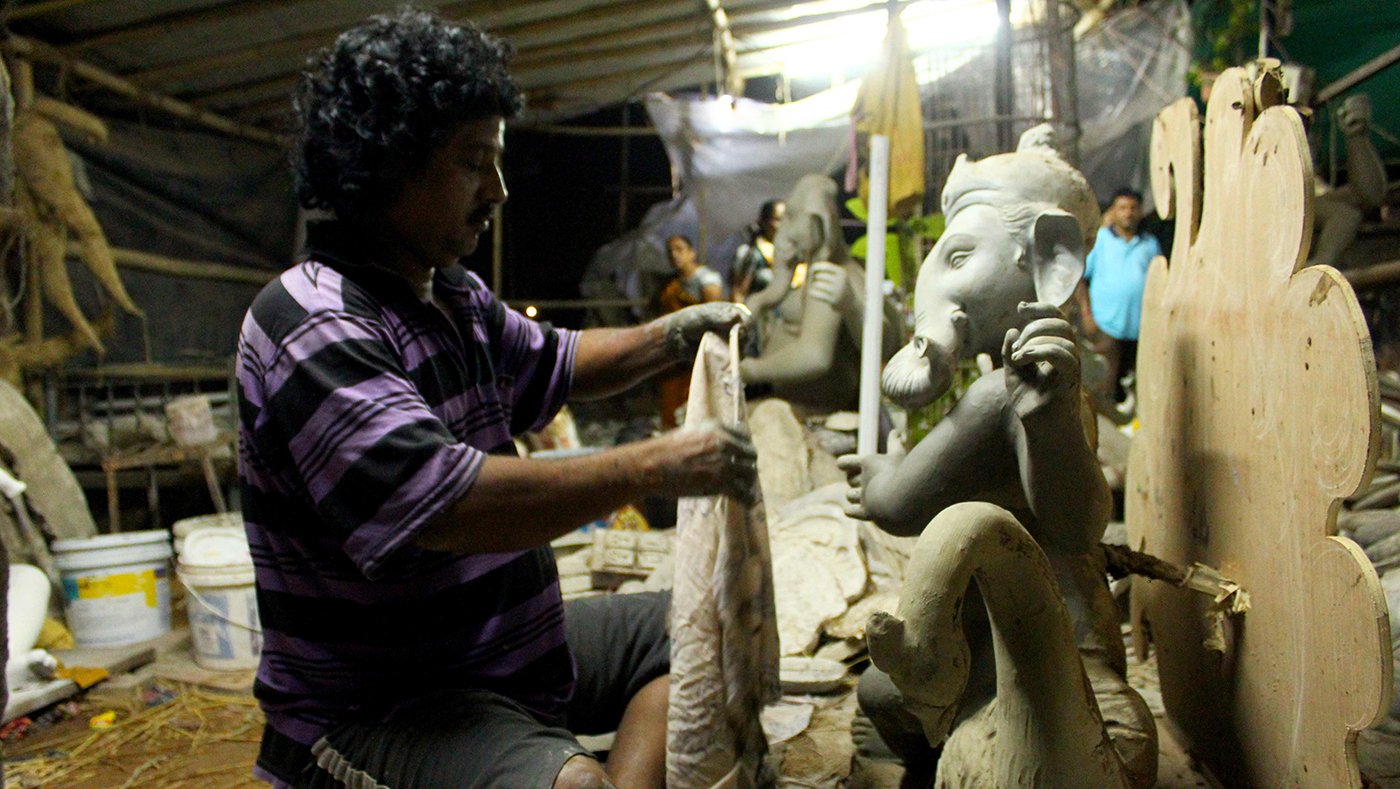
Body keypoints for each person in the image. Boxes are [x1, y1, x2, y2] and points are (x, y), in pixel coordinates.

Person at [235, 9, 754, 789]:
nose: (499, 190)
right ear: (387, 164)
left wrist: (674, 335)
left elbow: (561, 361)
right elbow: (449, 505)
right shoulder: (311, 321)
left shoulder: (450, 295)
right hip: (383, 702)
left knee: (703, 625)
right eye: (474, 161)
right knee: (571, 785)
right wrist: (654, 463)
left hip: (503, 653)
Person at [1073, 187, 1161, 403]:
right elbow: (1079, 277)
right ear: (1114, 211)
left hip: (1142, 330)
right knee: (1102, 386)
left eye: (1133, 208)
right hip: (1105, 326)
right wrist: (1086, 315)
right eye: (1122, 208)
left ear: (1140, 211)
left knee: (1142, 389)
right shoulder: (1100, 240)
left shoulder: (1150, 244)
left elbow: (1161, 284)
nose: (1128, 213)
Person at [656, 235, 724, 427]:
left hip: (698, 349)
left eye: (679, 249)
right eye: (670, 252)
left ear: (691, 252)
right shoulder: (671, 285)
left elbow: (713, 316)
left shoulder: (707, 280)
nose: (674, 255)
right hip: (676, 351)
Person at [730, 199, 785, 303]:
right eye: (778, 219)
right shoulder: (753, 253)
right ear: (765, 221)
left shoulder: (795, 253)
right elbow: (738, 292)